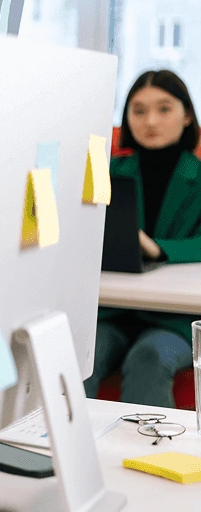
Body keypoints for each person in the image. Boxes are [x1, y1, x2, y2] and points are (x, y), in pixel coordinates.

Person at [84, 70, 201, 408]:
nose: (150, 121)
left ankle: (148, 445)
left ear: (187, 115)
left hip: (175, 317)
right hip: (112, 310)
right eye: (139, 110)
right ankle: (59, 441)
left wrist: (157, 247)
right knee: (79, 354)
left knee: (149, 357)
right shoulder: (106, 173)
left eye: (164, 109)